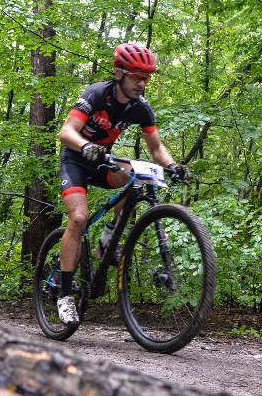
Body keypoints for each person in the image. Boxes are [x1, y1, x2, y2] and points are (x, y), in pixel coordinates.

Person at [54, 42, 190, 325]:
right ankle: (65, 295)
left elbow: (156, 148)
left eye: (146, 77)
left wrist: (172, 165)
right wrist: (85, 146)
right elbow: (66, 132)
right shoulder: (96, 94)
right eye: (137, 76)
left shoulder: (141, 108)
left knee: (136, 175)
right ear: (119, 73)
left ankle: (108, 238)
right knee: (78, 219)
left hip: (104, 160)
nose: (142, 83)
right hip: (76, 159)